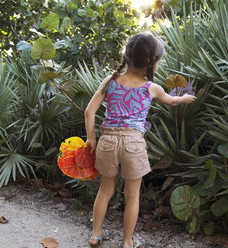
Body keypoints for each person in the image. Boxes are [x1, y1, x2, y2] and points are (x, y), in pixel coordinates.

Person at [84, 32, 196, 248]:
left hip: (107, 141)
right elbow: (171, 101)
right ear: (152, 64)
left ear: (127, 56)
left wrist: (91, 139)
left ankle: (95, 235)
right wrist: (184, 98)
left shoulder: (111, 81)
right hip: (133, 144)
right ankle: (127, 242)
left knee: (105, 191)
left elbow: (90, 111)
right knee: (132, 196)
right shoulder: (151, 88)